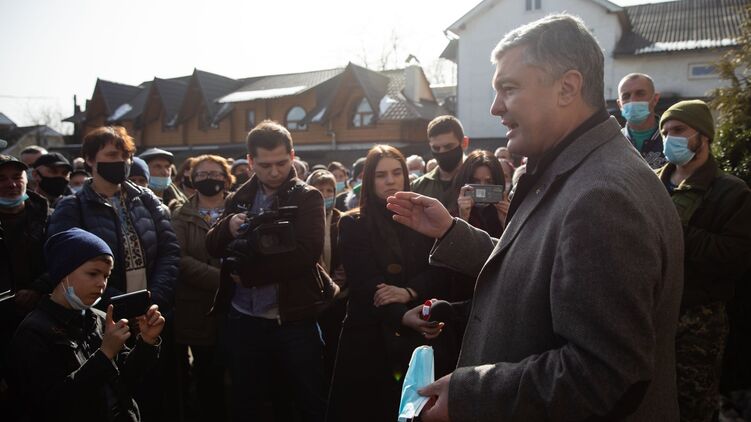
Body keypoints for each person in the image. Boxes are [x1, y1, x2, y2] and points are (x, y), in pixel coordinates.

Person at [387, 14, 684, 421]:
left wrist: (470, 395)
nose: (495, 108)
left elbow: (602, 376)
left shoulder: (602, 195)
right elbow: (541, 268)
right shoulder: (575, 169)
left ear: (567, 87)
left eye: (508, 89)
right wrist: (452, 232)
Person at [205, 120, 337, 422]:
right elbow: (212, 247)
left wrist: (251, 276)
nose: (275, 172)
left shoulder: (307, 197)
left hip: (293, 319)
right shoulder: (238, 198)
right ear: (250, 161)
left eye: (281, 163)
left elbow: (307, 254)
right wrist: (228, 227)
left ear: (292, 156)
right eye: (265, 165)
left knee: (307, 401)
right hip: (244, 319)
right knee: (247, 401)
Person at [47, 126, 180, 421]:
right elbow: (67, 265)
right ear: (90, 159)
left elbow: (170, 251)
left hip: (152, 314)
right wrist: (120, 306)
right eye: (111, 155)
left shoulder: (146, 199)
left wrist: (153, 300)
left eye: (125, 156)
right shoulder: (73, 206)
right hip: (104, 319)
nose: (120, 161)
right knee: (118, 393)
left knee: (159, 394)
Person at [328, 145, 451, 422]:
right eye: (381, 175)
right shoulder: (353, 223)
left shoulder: (424, 217)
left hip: (418, 331)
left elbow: (439, 270)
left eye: (397, 173)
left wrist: (408, 291)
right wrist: (401, 315)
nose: (390, 180)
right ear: (369, 180)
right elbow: (365, 282)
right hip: (369, 334)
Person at [655, 99, 751, 422]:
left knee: (692, 406)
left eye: (679, 130)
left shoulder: (732, 193)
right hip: (651, 312)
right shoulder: (650, 183)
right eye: (665, 132)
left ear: (704, 136)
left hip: (699, 321)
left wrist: (676, 230)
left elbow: (734, 256)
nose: (670, 138)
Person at [9, 227, 165, 422]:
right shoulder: (33, 332)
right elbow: (53, 405)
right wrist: (105, 354)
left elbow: (127, 379)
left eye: (106, 276)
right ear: (63, 272)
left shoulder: (100, 318)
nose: (102, 283)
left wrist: (147, 342)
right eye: (93, 273)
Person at [172, 154, 232, 422]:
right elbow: (180, 259)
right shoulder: (181, 215)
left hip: (239, 307)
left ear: (226, 178)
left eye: (216, 174)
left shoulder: (240, 207)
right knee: (207, 376)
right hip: (198, 309)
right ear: (193, 179)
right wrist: (222, 279)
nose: (210, 179)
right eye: (203, 174)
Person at [0, 155, 51, 418]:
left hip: (44, 318)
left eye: (16, 177)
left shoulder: (48, 217)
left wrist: (38, 289)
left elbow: (61, 261)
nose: (11, 184)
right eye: (1, 179)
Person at [411, 116, 469, 207]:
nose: (442, 152)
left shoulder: (477, 181)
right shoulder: (418, 187)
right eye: (436, 148)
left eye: (449, 146)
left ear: (464, 143)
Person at [451, 150, 508, 237]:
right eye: (475, 181)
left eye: (489, 182)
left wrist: (506, 222)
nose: (482, 187)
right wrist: (463, 219)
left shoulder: (507, 211)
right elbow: (455, 243)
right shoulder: (452, 216)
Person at [617, 73, 666, 169]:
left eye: (640, 94)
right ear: (619, 104)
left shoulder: (671, 138)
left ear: (655, 99)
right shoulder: (614, 142)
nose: (633, 100)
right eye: (626, 96)